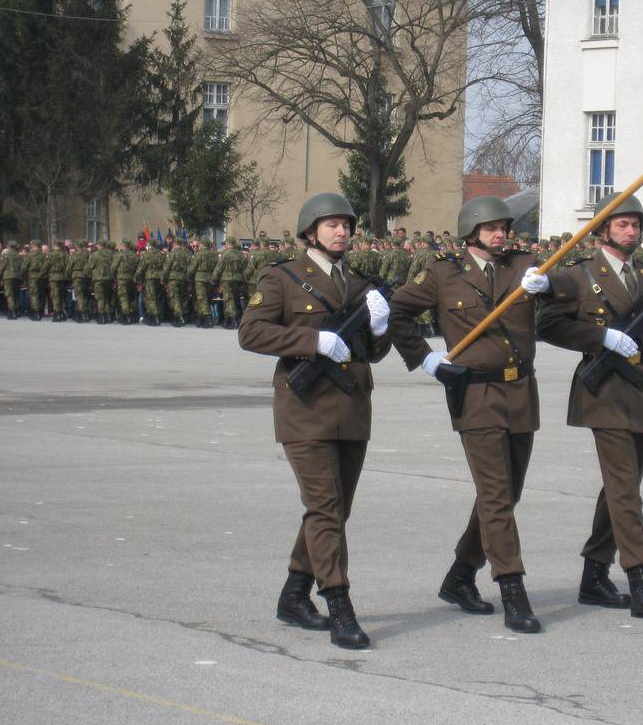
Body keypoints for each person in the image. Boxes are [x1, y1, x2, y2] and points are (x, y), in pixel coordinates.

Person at [388, 196, 565, 634]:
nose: (500, 233)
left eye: (503, 226)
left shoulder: (525, 266)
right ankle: (512, 589)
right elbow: (397, 312)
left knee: (507, 492)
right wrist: (425, 359)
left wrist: (551, 286)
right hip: (476, 394)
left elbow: (571, 292)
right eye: (490, 228)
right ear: (470, 232)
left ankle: (460, 576)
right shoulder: (445, 272)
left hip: (521, 390)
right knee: (496, 496)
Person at [238, 192, 392, 650]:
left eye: (346, 224)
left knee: (335, 509)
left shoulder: (361, 285)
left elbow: (371, 353)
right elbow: (251, 332)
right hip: (304, 412)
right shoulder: (283, 278)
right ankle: (339, 604)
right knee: (326, 508)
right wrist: (313, 340)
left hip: (352, 410)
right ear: (310, 231)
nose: (341, 231)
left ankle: (293, 595)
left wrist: (381, 329)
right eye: (331, 225)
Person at [536, 192, 643, 618]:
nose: (631, 231)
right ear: (602, 230)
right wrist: (600, 337)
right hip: (604, 392)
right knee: (623, 486)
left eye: (636, 224)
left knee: (624, 487)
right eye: (622, 224)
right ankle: (640, 579)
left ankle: (594, 574)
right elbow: (548, 324)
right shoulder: (581, 275)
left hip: (642, 387)